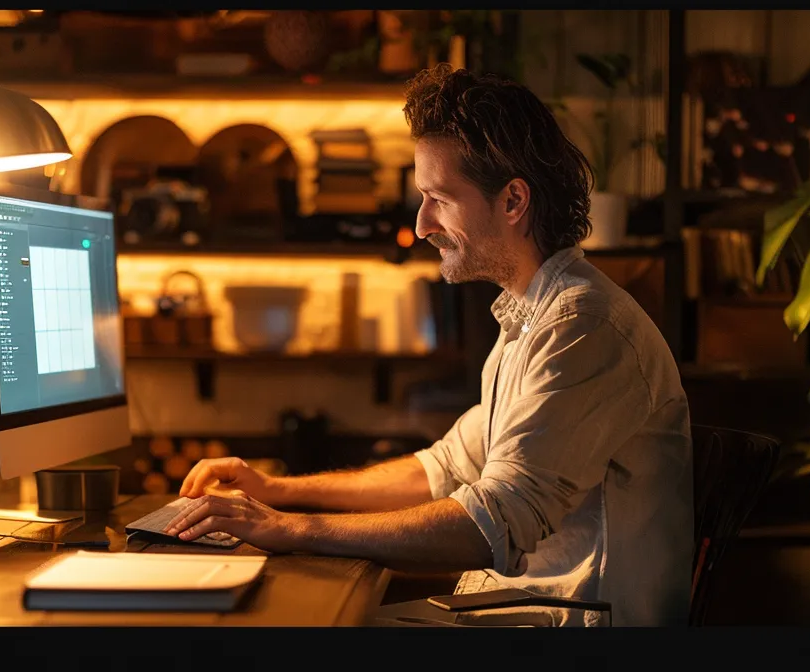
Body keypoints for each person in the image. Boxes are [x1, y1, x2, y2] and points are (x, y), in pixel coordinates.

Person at [164, 63, 693, 627]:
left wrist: (289, 528)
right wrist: (277, 491)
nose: (421, 225)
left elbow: (492, 524)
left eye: (439, 198)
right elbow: (441, 468)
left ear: (514, 201)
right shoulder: (531, 318)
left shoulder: (583, 328)